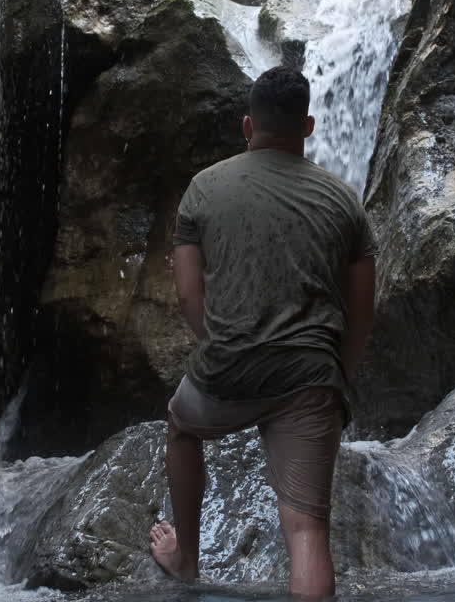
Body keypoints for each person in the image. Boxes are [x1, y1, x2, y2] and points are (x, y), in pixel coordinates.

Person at [148, 66, 377, 597]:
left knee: (182, 428)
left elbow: (187, 294)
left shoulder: (204, 187)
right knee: (307, 529)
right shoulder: (345, 200)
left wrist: (225, 343)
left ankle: (186, 556)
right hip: (312, 374)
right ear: (309, 126)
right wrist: (335, 376)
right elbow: (362, 315)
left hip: (226, 367)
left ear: (248, 126)